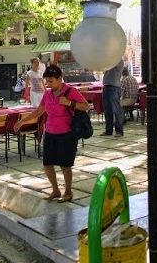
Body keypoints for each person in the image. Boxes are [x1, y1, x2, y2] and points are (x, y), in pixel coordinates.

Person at [34, 64, 91, 203]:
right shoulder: (47, 94)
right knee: (47, 164)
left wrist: (70, 103)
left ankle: (68, 191)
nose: (48, 84)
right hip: (50, 132)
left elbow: (86, 106)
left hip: (66, 133)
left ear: (60, 78)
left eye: (51, 81)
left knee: (65, 165)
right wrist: (22, 121)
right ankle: (55, 190)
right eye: (46, 81)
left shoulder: (71, 91)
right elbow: (39, 111)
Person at [101, 59, 125, 138]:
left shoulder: (118, 60)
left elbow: (111, 64)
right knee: (107, 110)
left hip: (114, 87)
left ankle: (119, 131)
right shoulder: (109, 60)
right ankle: (108, 130)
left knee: (116, 109)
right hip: (106, 86)